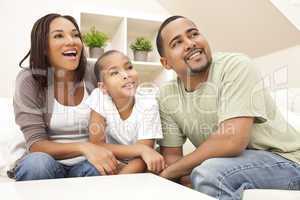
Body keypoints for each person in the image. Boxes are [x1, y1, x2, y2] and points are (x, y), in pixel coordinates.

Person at [155, 15, 300, 199]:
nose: (190, 43)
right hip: (232, 164)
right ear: (165, 62)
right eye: (177, 43)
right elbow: (173, 159)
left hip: (287, 161)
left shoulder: (236, 66)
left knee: (209, 173)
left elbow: (232, 141)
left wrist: (173, 172)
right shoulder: (167, 95)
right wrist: (176, 173)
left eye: (193, 34)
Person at [13, 13, 119, 181]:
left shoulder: (93, 73)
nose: (72, 41)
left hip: (87, 163)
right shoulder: (29, 80)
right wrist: (84, 147)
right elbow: (36, 144)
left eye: (75, 35)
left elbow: (122, 106)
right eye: (59, 35)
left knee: (100, 169)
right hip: (48, 162)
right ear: (43, 47)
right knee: (36, 165)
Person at [85, 50, 165, 174]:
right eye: (114, 72)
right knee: (91, 167)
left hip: (142, 164)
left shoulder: (148, 103)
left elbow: (145, 153)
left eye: (129, 67)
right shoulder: (99, 97)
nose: (125, 75)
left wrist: (119, 181)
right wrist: (141, 150)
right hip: (112, 160)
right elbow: (96, 144)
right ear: (103, 87)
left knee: (153, 166)